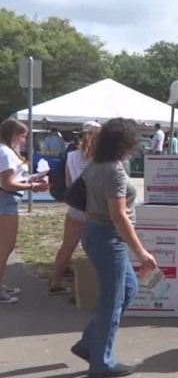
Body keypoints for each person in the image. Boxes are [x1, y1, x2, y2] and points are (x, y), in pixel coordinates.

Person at [73, 118, 158, 378]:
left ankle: (90, 343)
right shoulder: (113, 171)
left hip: (97, 232)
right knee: (112, 300)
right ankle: (102, 361)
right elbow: (119, 215)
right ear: (126, 143)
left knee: (128, 290)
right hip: (108, 236)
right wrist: (141, 252)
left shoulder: (95, 165)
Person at [50, 121, 101, 295]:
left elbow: (69, 184)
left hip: (77, 208)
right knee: (98, 250)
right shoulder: (104, 157)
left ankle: (56, 282)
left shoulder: (71, 156)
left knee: (67, 246)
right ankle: (95, 288)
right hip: (98, 210)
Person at [1, 120, 50, 304]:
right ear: (12, 134)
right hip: (6, 200)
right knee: (5, 247)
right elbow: (7, 184)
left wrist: (31, 179)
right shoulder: (5, 152)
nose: (24, 140)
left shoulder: (7, 151)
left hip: (8, 200)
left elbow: (14, 178)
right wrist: (33, 186)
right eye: (22, 136)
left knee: (5, 246)